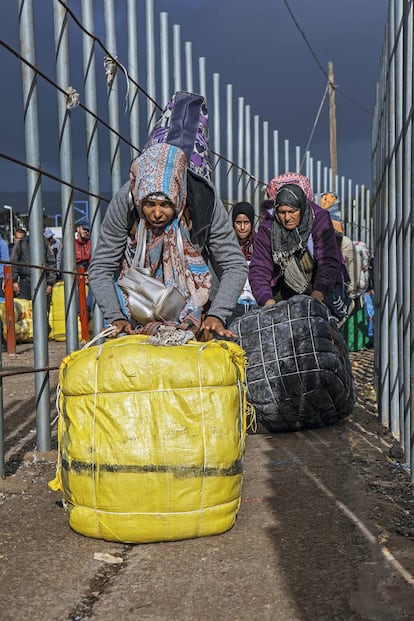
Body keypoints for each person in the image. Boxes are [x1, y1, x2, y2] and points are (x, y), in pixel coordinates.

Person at [88, 143, 248, 339]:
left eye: (165, 204)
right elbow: (101, 267)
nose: (156, 214)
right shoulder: (127, 202)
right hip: (134, 302)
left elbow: (234, 264)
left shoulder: (204, 201)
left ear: (178, 197)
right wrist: (115, 316)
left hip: (196, 304)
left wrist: (217, 314)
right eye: (149, 204)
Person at [249, 176, 350, 323]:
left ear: (302, 208)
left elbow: (328, 260)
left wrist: (318, 294)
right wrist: (267, 301)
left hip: (321, 286)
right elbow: (259, 267)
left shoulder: (319, 218)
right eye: (282, 212)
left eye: (292, 211)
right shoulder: (268, 227)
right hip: (284, 287)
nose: (287, 217)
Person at [227, 201, 257, 324]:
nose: (242, 227)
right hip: (233, 303)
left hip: (256, 302)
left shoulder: (260, 245)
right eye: (238, 223)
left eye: (246, 222)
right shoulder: (227, 245)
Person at [10, 228, 57, 306]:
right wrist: (14, 281)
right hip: (24, 282)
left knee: (41, 307)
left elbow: (51, 263)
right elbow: (14, 262)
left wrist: (50, 284)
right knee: (23, 308)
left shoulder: (45, 245)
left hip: (42, 281)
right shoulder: (21, 244)